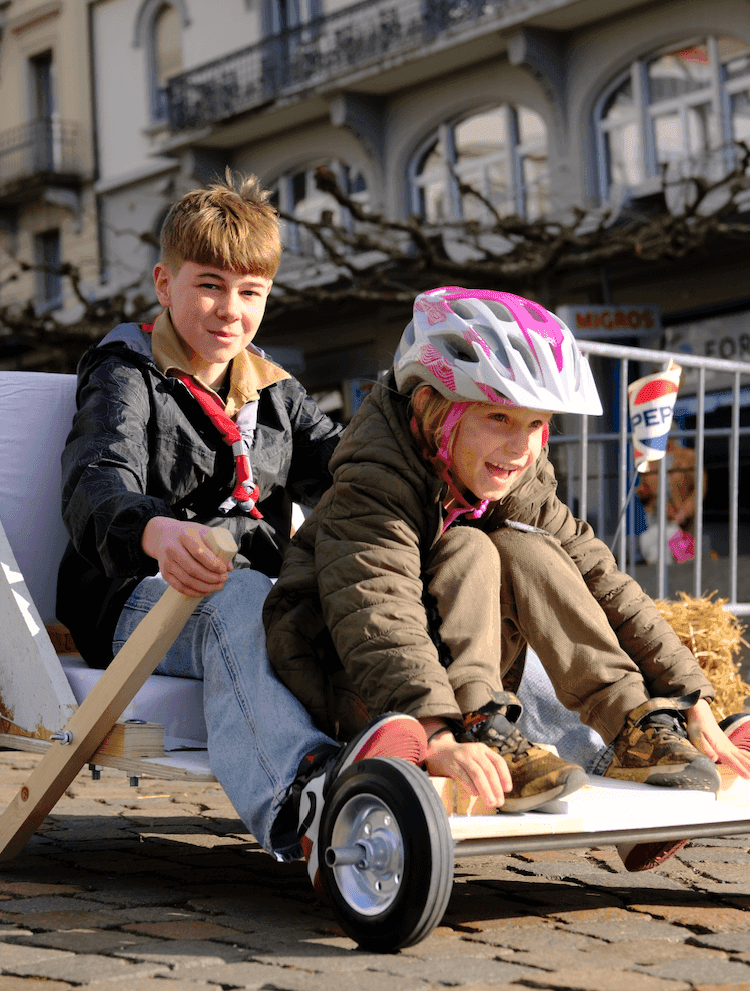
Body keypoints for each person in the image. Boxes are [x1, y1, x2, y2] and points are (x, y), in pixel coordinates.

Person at [263, 286, 750, 864]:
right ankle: (482, 725)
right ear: (429, 407)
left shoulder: (511, 478)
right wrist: (436, 733)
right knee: (471, 547)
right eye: (497, 417)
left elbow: (602, 576)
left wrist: (687, 693)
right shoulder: (372, 485)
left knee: (534, 552)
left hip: (457, 678)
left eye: (537, 422)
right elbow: (379, 613)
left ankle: (634, 736)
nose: (520, 448)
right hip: (361, 682)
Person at [56, 172, 427, 889]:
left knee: (392, 584)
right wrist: (157, 532)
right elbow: (94, 482)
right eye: (210, 286)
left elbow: (349, 474)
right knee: (240, 599)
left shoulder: (276, 391)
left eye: (251, 292)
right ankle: (299, 796)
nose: (231, 311)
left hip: (251, 585)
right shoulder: (125, 371)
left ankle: (488, 738)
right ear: (165, 284)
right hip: (136, 591)